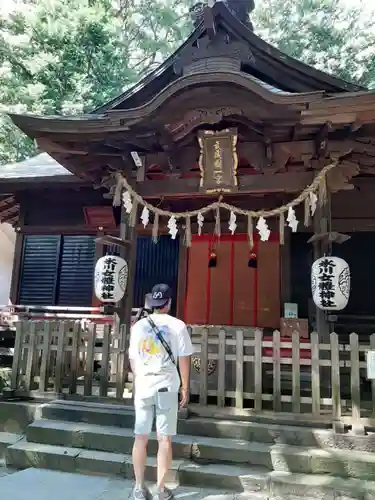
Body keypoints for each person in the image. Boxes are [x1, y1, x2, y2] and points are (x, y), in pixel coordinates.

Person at [128, 283, 194, 500]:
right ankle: (161, 489)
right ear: (169, 302)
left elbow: (132, 358)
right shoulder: (178, 325)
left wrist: (140, 378)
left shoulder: (138, 327)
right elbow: (184, 359)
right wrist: (185, 385)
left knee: (140, 437)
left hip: (144, 386)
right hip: (167, 385)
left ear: (152, 303)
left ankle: (139, 487)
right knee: (164, 439)